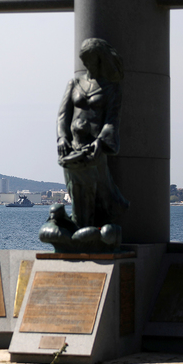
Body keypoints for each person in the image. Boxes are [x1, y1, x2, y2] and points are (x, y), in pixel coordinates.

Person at [56, 38, 129, 230]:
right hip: (73, 148)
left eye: (91, 59)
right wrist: (62, 137)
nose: (87, 63)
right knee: (75, 188)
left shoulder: (111, 88)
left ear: (100, 59)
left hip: (95, 148)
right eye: (85, 59)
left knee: (99, 190)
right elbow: (63, 115)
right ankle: (81, 228)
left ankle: (90, 228)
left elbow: (112, 120)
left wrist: (101, 142)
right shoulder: (74, 83)